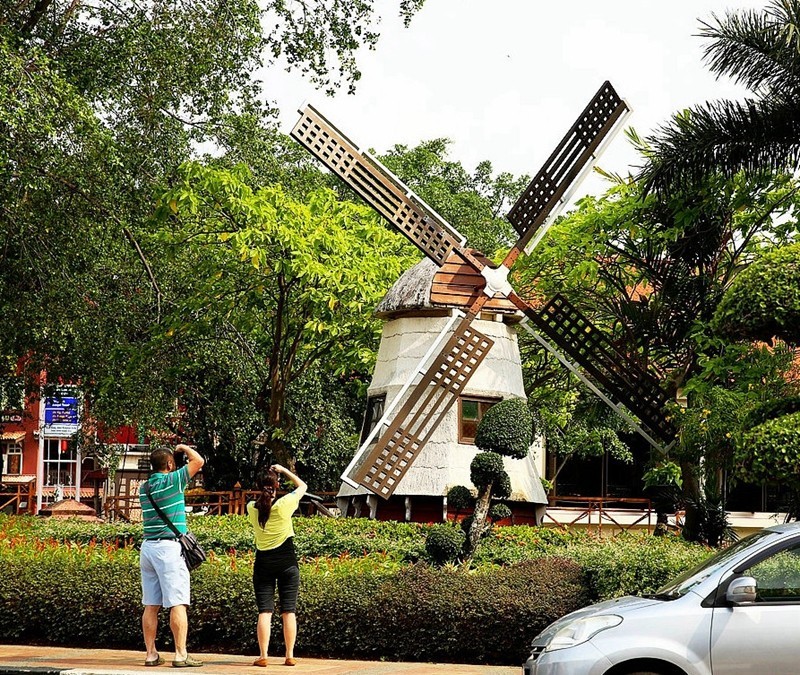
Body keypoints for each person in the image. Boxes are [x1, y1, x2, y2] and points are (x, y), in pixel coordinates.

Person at [139, 443, 205, 668]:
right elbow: (199, 461)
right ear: (169, 464)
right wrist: (184, 447)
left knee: (151, 604)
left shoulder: (144, 488)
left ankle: (151, 654)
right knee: (177, 603)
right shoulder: (173, 481)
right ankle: (180, 654)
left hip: (147, 547)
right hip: (169, 549)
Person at [247, 464, 307, 667]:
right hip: (288, 564)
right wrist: (285, 471)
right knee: (288, 611)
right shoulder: (284, 505)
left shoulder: (251, 508)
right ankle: (289, 654)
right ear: (276, 485)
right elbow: (302, 486)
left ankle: (263, 655)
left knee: (265, 611)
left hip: (263, 563)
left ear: (258, 486)